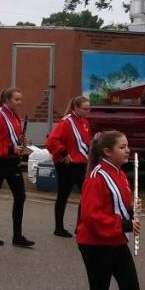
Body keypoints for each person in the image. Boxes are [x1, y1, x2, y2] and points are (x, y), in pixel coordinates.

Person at [76, 131, 141, 290]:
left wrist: (132, 212)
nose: (128, 150)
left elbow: (118, 206)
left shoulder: (120, 174)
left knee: (131, 287)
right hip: (94, 242)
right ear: (107, 152)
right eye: (122, 147)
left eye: (127, 146)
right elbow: (91, 216)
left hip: (113, 239)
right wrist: (123, 224)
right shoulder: (96, 177)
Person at [0, 87, 33, 247]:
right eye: (16, 99)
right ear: (7, 100)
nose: (19, 102)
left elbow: (11, 137)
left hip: (10, 161)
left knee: (20, 196)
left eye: (20, 99)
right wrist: (11, 148)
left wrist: (21, 143)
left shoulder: (13, 115)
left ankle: (17, 236)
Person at [46, 95, 92, 238]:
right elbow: (52, 141)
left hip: (80, 163)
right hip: (67, 164)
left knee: (86, 195)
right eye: (85, 109)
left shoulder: (84, 122)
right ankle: (58, 227)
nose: (87, 111)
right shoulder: (66, 122)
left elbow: (84, 142)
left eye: (89, 108)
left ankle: (80, 226)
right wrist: (64, 153)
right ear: (75, 108)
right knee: (63, 195)